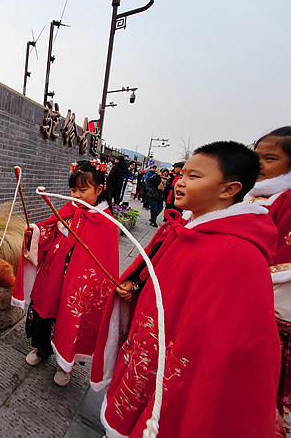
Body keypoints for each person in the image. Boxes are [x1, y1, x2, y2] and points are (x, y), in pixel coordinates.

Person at [91, 141, 280, 437]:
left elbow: (230, 346)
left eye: (194, 177)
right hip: (149, 351)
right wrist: (134, 284)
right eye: (183, 174)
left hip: (176, 365)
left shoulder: (239, 255)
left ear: (229, 189)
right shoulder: (189, 230)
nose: (179, 182)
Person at [12, 160, 119, 386]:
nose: (76, 195)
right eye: (73, 190)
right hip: (53, 277)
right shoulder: (68, 210)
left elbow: (104, 261)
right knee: (45, 311)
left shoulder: (105, 222)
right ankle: (41, 350)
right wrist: (36, 232)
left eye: (83, 190)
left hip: (78, 285)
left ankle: (65, 364)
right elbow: (51, 232)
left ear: (99, 190)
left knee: (70, 319)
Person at [245, 126, 291, 433]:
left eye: (270, 158)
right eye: (256, 156)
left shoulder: (285, 200)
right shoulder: (256, 195)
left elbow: (280, 262)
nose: (259, 164)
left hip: (267, 304)